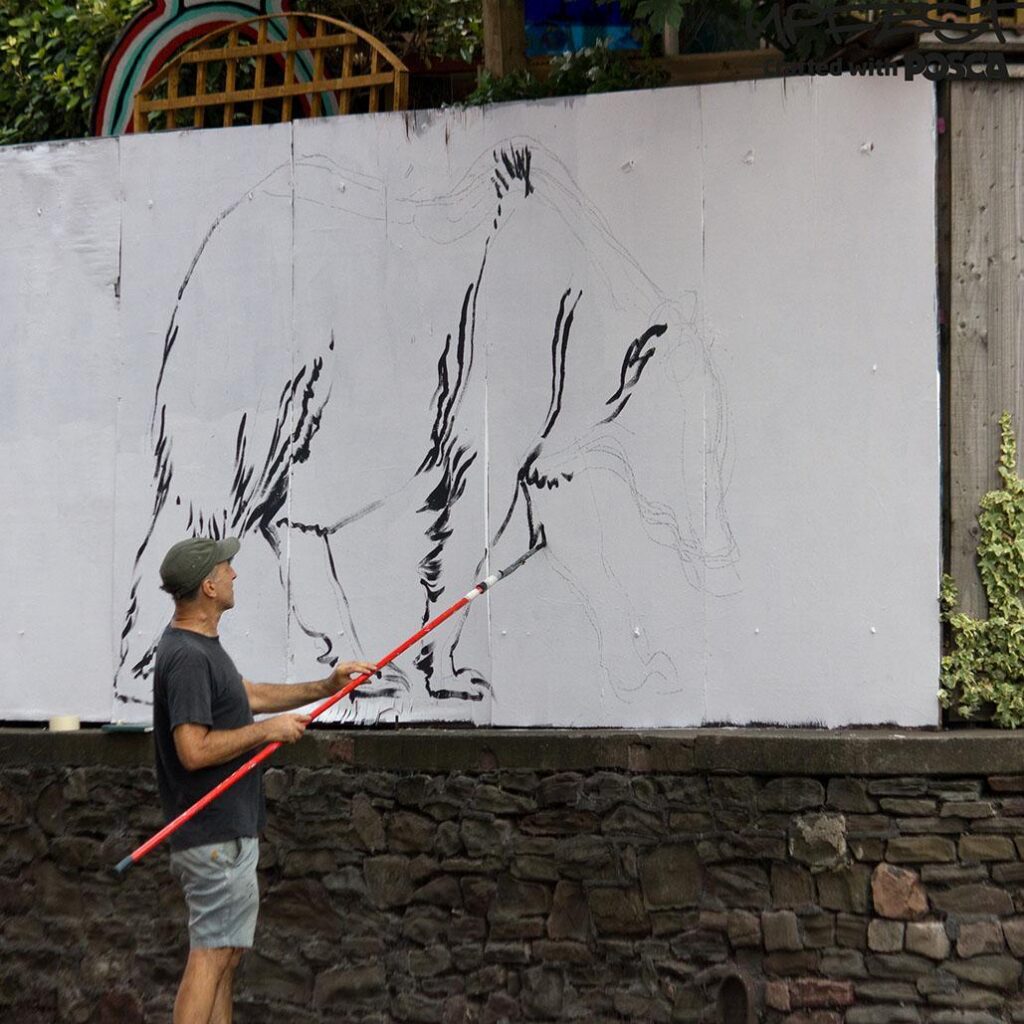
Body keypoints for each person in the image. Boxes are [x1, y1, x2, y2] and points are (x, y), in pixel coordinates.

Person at [153, 535, 376, 1024]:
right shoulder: (187, 656)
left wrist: (324, 686)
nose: (234, 573)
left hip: (224, 834)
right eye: (226, 568)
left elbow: (246, 695)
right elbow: (192, 750)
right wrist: (265, 733)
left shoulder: (201, 648)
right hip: (214, 836)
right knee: (211, 956)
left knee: (225, 957)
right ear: (208, 586)